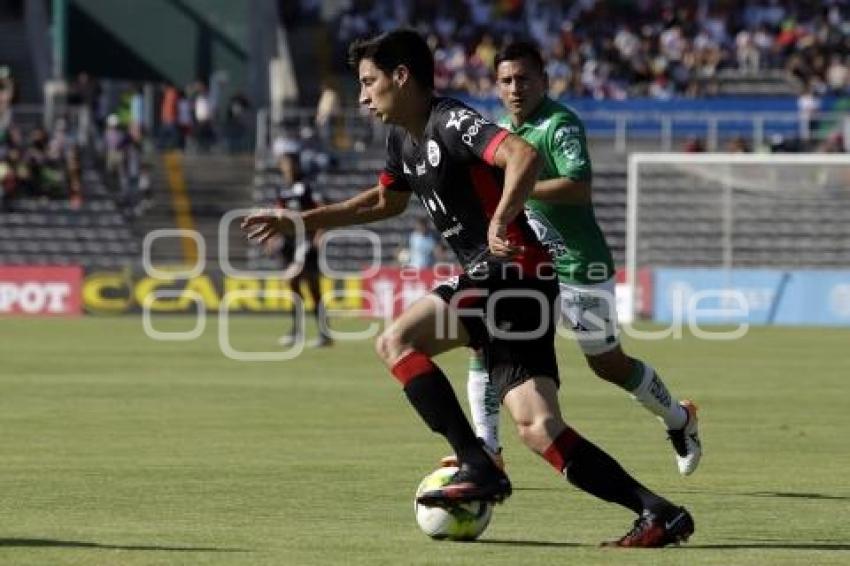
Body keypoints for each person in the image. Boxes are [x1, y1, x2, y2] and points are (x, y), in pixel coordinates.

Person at [242, 29, 694, 547]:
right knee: (538, 427)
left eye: (369, 82)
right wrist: (306, 221)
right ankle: (658, 512)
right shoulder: (402, 139)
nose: (363, 96)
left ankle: (477, 462)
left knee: (395, 341)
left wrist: (502, 218)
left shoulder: (449, 120)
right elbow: (384, 203)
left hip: (511, 270)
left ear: (402, 77)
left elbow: (522, 155)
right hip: (525, 285)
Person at [446, 41, 702, 481]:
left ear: (544, 80)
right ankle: (486, 448)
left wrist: (516, 193)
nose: (515, 87)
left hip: (579, 265)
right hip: (530, 265)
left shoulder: (559, 124)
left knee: (607, 364)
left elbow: (578, 187)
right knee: (484, 335)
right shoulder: (499, 133)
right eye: (506, 80)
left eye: (524, 78)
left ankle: (679, 419)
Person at [272, 137, 332, 348]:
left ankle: (323, 333)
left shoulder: (306, 186)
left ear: (296, 164)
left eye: (288, 163)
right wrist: (274, 236)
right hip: (290, 244)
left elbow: (322, 208)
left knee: (308, 285)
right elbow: (278, 214)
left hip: (306, 242)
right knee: (295, 287)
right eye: (283, 163)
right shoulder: (282, 190)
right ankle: (298, 332)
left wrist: (320, 233)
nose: (285, 167)